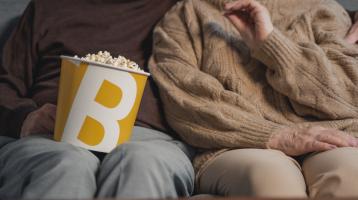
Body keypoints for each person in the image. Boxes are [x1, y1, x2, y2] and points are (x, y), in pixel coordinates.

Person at [149, 0, 358, 198]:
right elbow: (185, 100)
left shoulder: (326, 10)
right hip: (240, 144)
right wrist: (276, 135)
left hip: (335, 136)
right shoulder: (186, 15)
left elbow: (348, 97)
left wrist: (271, 45)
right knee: (272, 180)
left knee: (351, 176)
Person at [0, 0, 195, 199]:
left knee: (142, 162)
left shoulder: (183, 9)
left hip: (150, 139)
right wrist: (26, 117)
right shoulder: (47, 6)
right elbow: (5, 85)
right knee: (67, 163)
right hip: (55, 134)